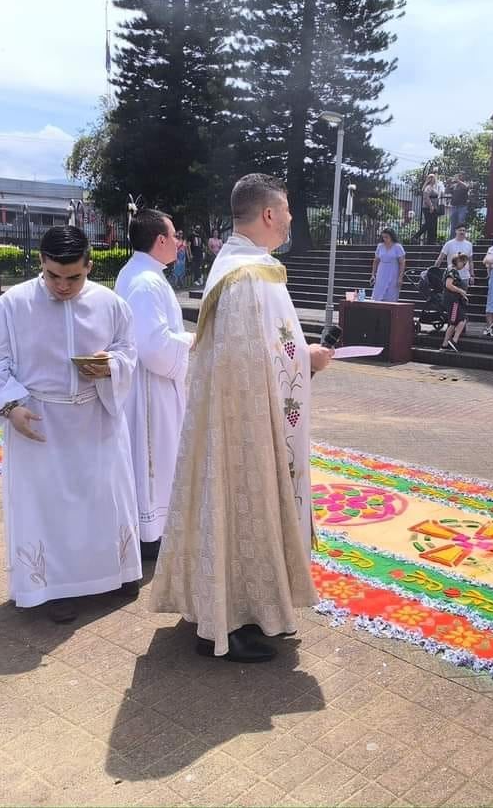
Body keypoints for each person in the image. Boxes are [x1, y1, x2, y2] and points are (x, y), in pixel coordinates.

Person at [150, 174, 333, 663]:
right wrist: (307, 360)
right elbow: (255, 361)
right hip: (247, 424)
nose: (292, 218)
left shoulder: (236, 265)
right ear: (269, 214)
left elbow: (258, 350)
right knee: (244, 508)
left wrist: (298, 354)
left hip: (237, 415)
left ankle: (240, 609)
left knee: (236, 510)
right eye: (288, 209)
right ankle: (235, 619)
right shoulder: (247, 275)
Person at [0, 225, 141, 624]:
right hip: (38, 419)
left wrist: (110, 366)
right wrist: (11, 406)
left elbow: (129, 352)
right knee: (48, 507)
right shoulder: (12, 305)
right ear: (41, 264)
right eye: (53, 276)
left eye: (74, 277)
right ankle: (54, 587)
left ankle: (113, 573)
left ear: (89, 266)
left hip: (96, 418)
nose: (63, 286)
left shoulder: (112, 304)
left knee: (103, 498)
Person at [114, 209, 193, 563]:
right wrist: (191, 342)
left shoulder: (141, 274)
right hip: (151, 390)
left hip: (148, 386)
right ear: (160, 240)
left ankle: (151, 531)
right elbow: (154, 347)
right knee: (153, 460)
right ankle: (150, 536)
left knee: (153, 460)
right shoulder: (146, 282)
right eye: (175, 235)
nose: (179, 242)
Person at [440, 253, 471, 350]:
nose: (464, 265)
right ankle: (454, 340)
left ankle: (445, 344)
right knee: (462, 319)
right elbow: (448, 285)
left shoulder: (450, 269)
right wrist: (461, 291)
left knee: (453, 322)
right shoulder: (452, 271)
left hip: (452, 299)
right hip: (453, 300)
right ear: (458, 262)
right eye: (463, 262)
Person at [371, 228, 407, 301]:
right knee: (378, 292)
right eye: (383, 237)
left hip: (393, 271)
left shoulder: (397, 247)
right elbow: (376, 261)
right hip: (381, 271)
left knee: (391, 293)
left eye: (386, 237)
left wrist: (400, 277)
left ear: (391, 237)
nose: (385, 239)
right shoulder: (380, 246)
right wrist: (373, 274)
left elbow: (402, 262)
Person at [413, 174, 442, 245]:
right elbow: (426, 197)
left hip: (434, 208)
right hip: (428, 208)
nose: (435, 179)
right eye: (433, 178)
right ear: (431, 179)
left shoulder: (433, 187)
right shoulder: (428, 187)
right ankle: (416, 237)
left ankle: (431, 241)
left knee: (433, 224)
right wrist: (431, 206)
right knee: (429, 224)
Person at [447, 173, 470, 238]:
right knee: (453, 224)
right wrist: (448, 183)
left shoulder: (465, 183)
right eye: (458, 176)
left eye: (460, 176)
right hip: (454, 206)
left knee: (461, 223)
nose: (459, 177)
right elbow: (447, 191)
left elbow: (466, 187)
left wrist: (458, 181)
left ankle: (461, 238)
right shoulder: (454, 185)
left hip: (462, 207)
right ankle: (452, 239)